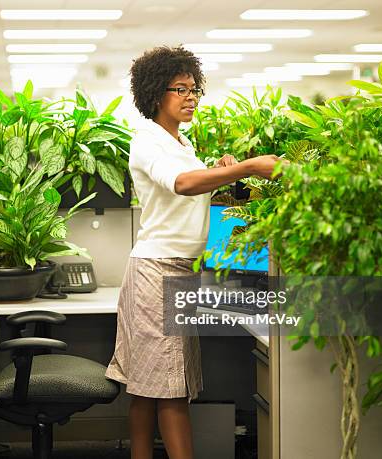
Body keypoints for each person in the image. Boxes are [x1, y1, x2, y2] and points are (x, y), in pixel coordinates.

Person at [105, 46, 282, 459]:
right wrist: (247, 168)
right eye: (180, 89)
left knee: (151, 387)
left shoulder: (179, 143)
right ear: (155, 93)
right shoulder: (148, 140)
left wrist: (220, 174)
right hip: (157, 271)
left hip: (173, 269)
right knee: (169, 389)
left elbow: (189, 189)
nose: (190, 97)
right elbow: (182, 185)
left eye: (194, 89)